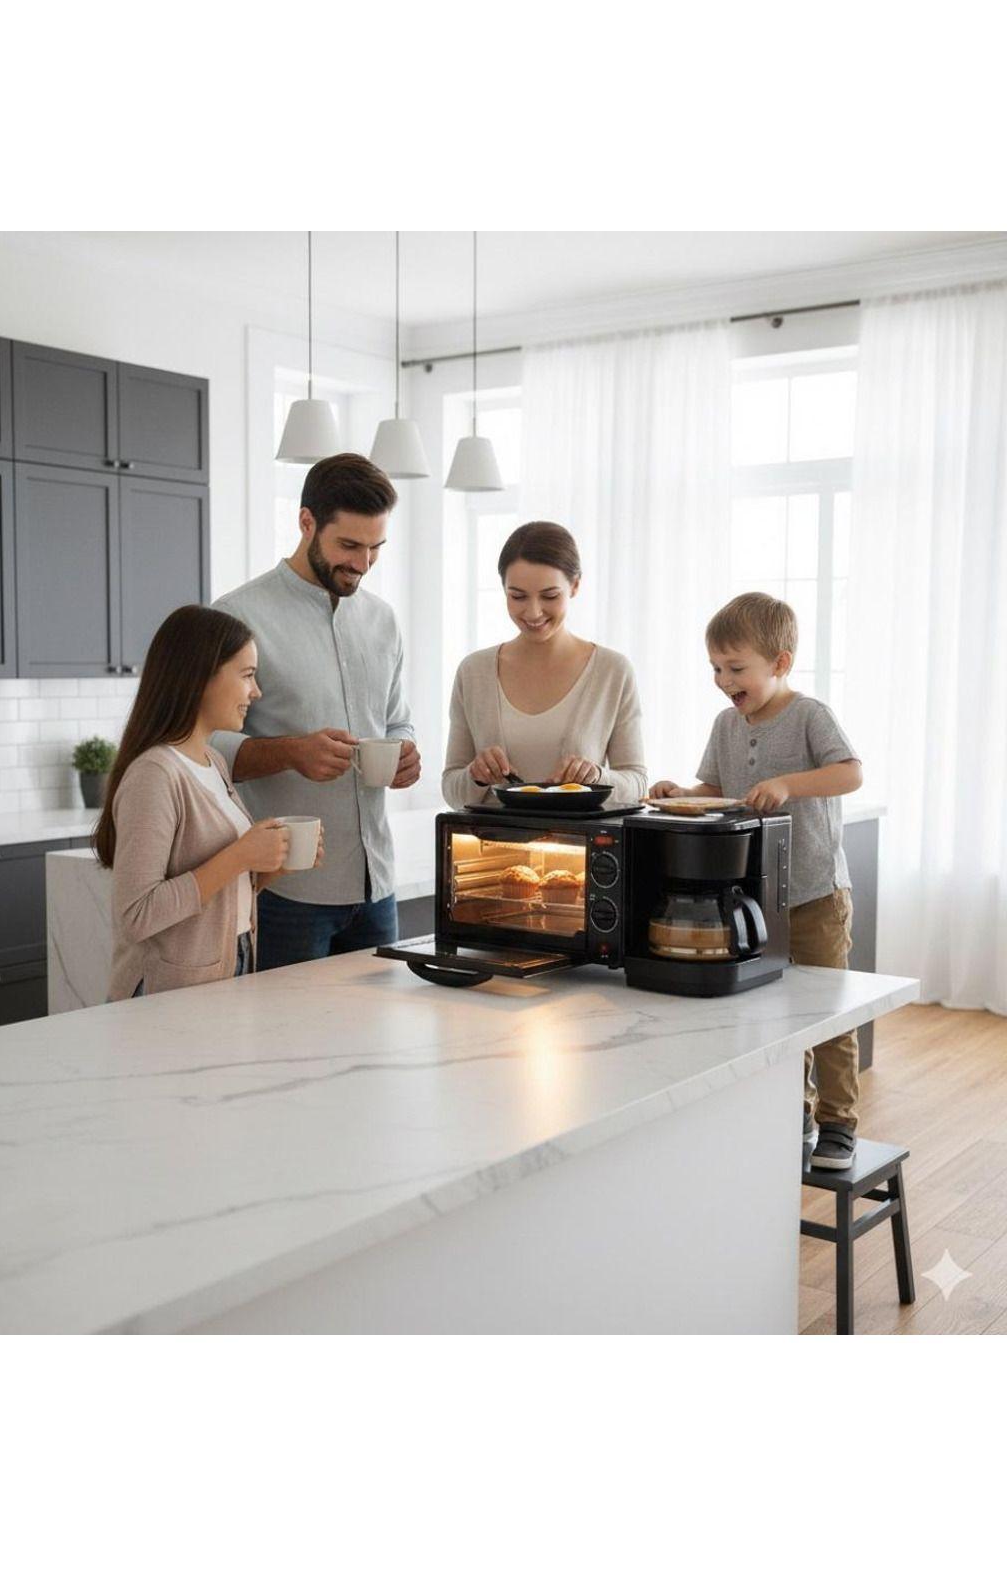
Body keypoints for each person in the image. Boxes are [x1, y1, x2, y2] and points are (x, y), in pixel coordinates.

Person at [649, 592, 864, 1169]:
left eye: (735, 668)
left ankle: (838, 1122)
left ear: (780, 663)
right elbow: (714, 789)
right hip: (758, 896)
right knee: (776, 1011)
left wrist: (789, 784)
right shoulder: (725, 723)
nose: (723, 681)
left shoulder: (810, 715)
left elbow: (850, 773)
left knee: (826, 1011)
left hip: (816, 894)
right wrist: (681, 793)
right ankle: (793, 1111)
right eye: (716, 668)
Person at [212, 453, 420, 969]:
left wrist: (405, 752)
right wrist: (290, 752)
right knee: (285, 1023)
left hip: (376, 885)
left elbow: (396, 720)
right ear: (306, 522)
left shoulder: (383, 620)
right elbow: (203, 747)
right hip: (286, 890)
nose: (363, 563)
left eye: (375, 548)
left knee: (379, 1023)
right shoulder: (237, 617)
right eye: (348, 545)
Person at [95, 604, 308, 999]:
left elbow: (214, 893)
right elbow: (137, 914)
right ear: (201, 677)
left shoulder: (213, 762)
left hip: (226, 967)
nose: (256, 692)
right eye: (247, 675)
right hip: (163, 992)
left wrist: (268, 868)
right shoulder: (155, 774)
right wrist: (240, 856)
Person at [442, 521, 647, 807]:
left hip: (575, 837)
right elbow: (452, 789)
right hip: (491, 836)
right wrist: (475, 776)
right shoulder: (473, 672)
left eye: (550, 596)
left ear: (575, 585)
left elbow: (637, 783)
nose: (533, 612)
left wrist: (597, 776)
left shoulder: (613, 671)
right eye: (517, 596)